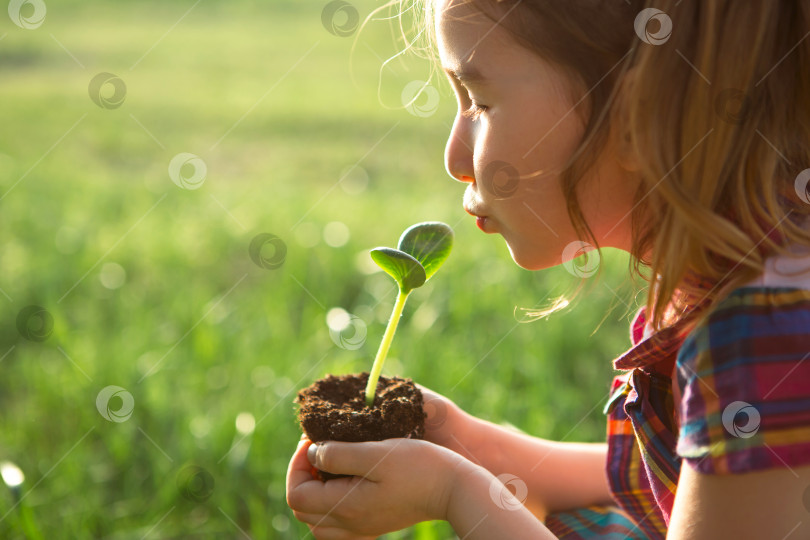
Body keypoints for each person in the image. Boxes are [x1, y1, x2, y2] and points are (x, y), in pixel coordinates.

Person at [287, 0, 810, 537]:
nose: (453, 158)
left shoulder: (765, 332)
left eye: (480, 102)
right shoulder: (748, 268)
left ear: (637, 117)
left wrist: (457, 492)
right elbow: (695, 481)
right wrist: (475, 447)